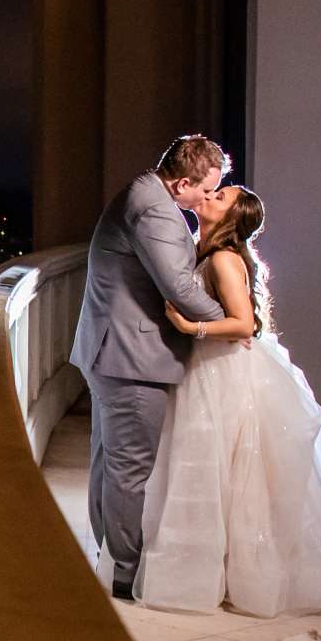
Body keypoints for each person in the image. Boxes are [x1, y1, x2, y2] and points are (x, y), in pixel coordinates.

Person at [134, 187, 321, 616]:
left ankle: (240, 578)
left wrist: (192, 329)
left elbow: (244, 325)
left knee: (231, 472)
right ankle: (218, 573)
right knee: (214, 472)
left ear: (231, 218)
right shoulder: (201, 250)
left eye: (220, 196)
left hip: (224, 371)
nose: (209, 195)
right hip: (208, 370)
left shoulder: (224, 258)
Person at [71, 135, 232, 599]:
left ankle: (109, 561)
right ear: (183, 182)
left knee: (111, 466)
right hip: (132, 358)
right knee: (129, 471)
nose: (206, 199)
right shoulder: (156, 210)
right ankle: (124, 573)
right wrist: (233, 323)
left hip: (111, 351)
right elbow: (180, 288)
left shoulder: (141, 192)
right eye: (205, 191)